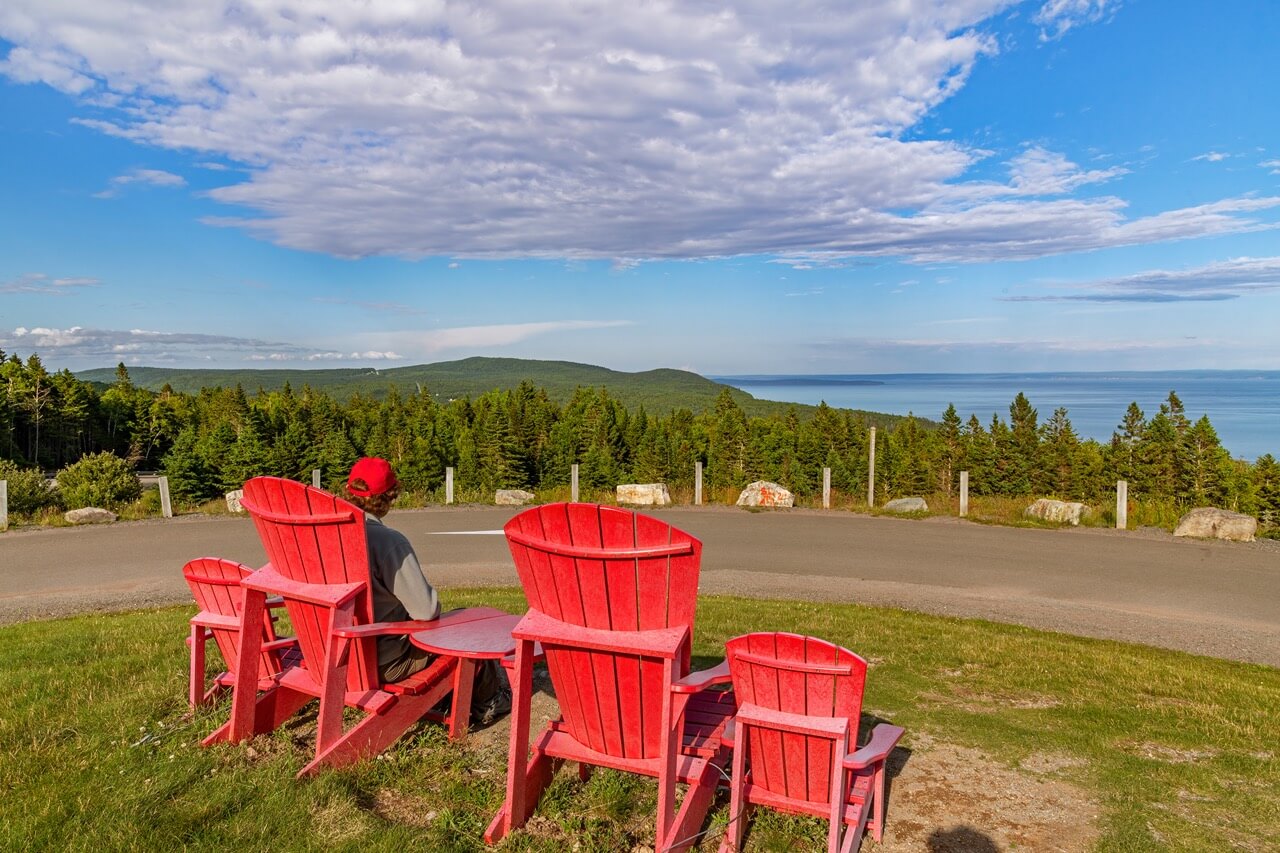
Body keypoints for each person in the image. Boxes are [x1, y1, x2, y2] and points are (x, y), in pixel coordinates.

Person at [345, 457, 510, 725]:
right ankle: (490, 701)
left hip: (338, 655)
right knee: (466, 625)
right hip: (384, 661)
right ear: (388, 497)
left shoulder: (325, 537)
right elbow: (426, 610)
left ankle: (454, 694)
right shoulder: (388, 542)